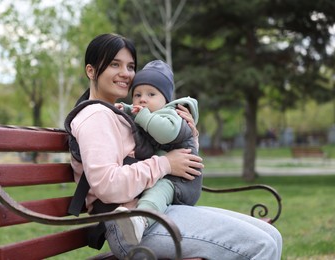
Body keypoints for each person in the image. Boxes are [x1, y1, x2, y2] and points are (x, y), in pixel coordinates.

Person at [65, 33, 282, 259]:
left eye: (130, 66)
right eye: (114, 64)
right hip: (130, 227)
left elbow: (156, 149)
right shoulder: (96, 116)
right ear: (91, 71)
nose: (126, 73)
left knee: (271, 236)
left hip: (156, 211)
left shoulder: (119, 112)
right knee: (261, 244)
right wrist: (166, 164)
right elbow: (107, 185)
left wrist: (188, 137)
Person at [114, 60, 203, 245]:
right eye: (137, 95)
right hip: (170, 171)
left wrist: (141, 115)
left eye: (151, 94)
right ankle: (136, 217)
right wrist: (127, 109)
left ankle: (142, 220)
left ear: (166, 100)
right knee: (156, 189)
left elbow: (165, 133)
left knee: (159, 190)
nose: (142, 99)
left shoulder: (173, 115)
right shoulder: (150, 115)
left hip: (183, 180)